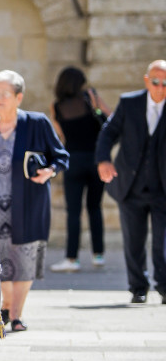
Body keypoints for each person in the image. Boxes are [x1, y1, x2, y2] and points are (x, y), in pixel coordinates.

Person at [0, 70, 69, 333]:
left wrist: (49, 171)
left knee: (24, 259)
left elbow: (61, 156)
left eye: (4, 93)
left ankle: (15, 314)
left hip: (29, 205)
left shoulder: (36, 124)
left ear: (19, 97)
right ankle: (5, 303)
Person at [95, 60, 166, 304]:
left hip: (163, 189)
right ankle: (138, 288)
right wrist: (103, 160)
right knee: (133, 241)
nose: (160, 87)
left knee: (163, 243)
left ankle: (164, 287)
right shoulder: (129, 103)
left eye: (165, 83)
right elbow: (108, 133)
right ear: (147, 81)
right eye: (156, 81)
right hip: (130, 185)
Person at [49, 66, 110, 272]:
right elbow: (110, 121)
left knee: (73, 212)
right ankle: (98, 255)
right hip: (96, 160)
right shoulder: (90, 97)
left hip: (73, 161)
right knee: (95, 208)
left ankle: (72, 258)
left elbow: (62, 137)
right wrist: (97, 108)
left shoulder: (56, 107)